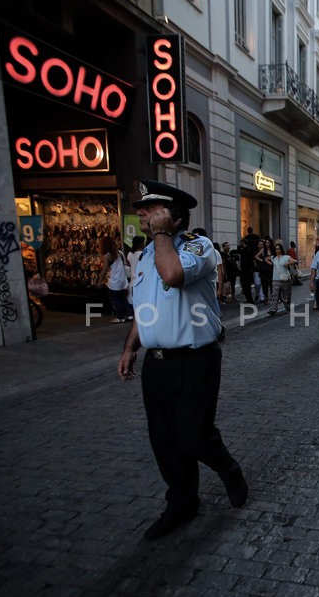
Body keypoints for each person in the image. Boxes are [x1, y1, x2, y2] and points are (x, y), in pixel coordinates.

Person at [116, 179, 247, 540]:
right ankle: (182, 502)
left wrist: (162, 233)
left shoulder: (199, 247)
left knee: (194, 436)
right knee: (164, 438)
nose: (141, 213)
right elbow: (143, 310)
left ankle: (229, 470)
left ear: (173, 215)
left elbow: (172, 275)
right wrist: (130, 348)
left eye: (150, 208)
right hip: (157, 364)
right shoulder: (144, 255)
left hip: (196, 360)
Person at [99, 236, 131, 323]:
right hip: (122, 280)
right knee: (123, 298)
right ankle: (129, 315)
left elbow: (104, 270)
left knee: (115, 300)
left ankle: (120, 317)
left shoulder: (107, 256)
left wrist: (99, 281)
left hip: (113, 281)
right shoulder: (119, 253)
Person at [266, 242, 297, 316]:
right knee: (274, 294)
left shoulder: (286, 257)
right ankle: (273, 309)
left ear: (281, 249)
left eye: (278, 249)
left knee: (286, 296)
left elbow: (295, 261)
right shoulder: (273, 258)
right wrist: (270, 263)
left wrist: (288, 264)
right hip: (276, 279)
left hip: (285, 279)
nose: (277, 250)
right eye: (276, 249)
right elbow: (266, 258)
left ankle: (287, 308)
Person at [126, 236, 145, 308]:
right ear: (141, 244)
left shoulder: (129, 254)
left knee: (135, 304)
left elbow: (128, 266)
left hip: (133, 281)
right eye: (143, 243)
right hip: (141, 281)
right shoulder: (143, 254)